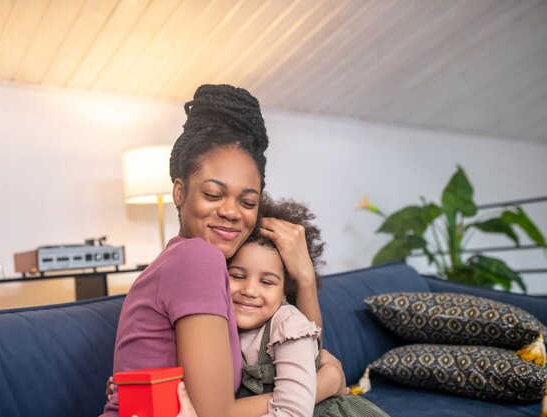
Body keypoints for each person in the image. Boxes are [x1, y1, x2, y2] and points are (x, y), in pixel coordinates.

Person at [101, 84, 345, 417]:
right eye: (214, 195)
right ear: (178, 191)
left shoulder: (219, 270)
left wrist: (303, 277)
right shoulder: (197, 259)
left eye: (247, 202)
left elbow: (300, 353)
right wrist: (323, 385)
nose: (232, 211)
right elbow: (214, 413)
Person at [231, 195, 390, 417]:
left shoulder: (288, 325)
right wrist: (324, 383)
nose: (249, 290)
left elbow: (293, 411)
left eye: (266, 282)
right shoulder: (217, 322)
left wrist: (305, 277)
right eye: (237, 276)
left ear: (286, 290)